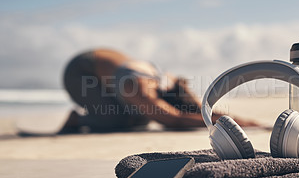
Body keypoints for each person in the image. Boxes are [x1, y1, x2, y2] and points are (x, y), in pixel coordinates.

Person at [60, 48, 260, 133]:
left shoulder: (171, 82)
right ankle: (76, 119)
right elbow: (175, 119)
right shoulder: (139, 89)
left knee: (141, 115)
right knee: (123, 121)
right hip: (78, 72)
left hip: (105, 60)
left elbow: (198, 110)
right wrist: (229, 121)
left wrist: (250, 122)